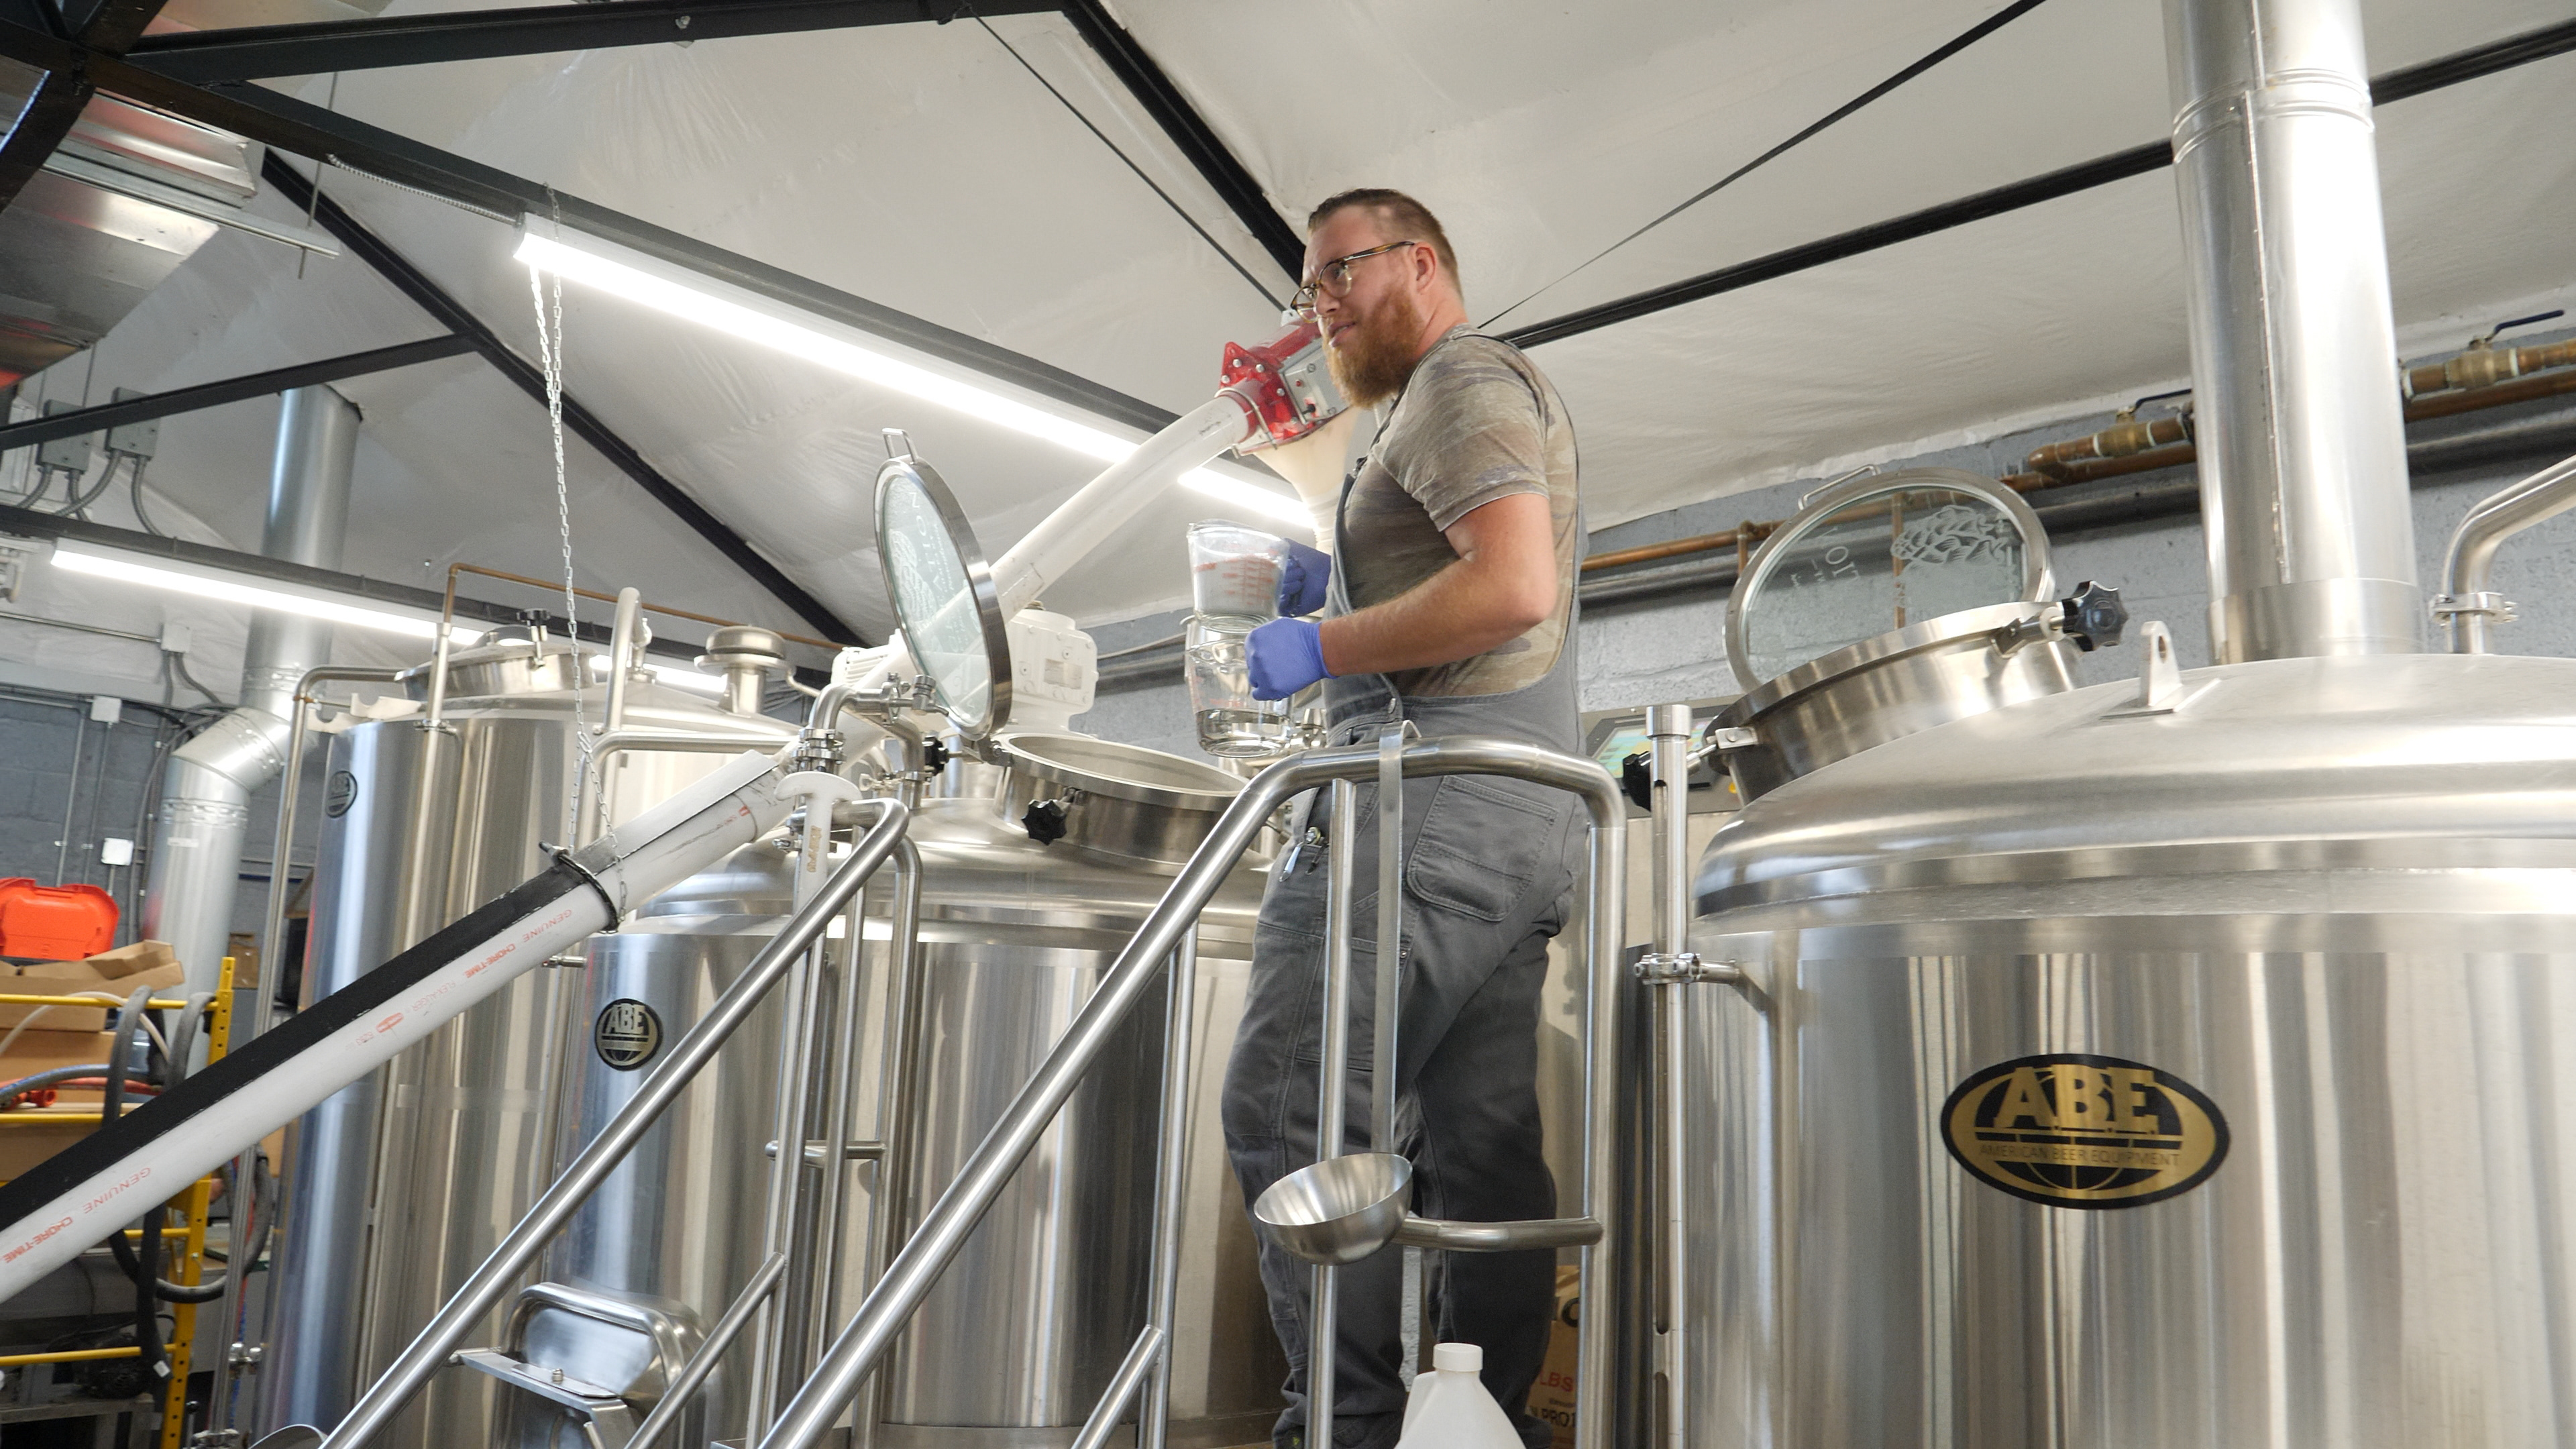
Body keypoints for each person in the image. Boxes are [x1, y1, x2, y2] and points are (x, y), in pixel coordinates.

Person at [1224, 188, 1583, 1449]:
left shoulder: (1458, 381)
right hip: (1518, 816)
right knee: (1478, 1151)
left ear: (1420, 263)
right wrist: (1345, 582)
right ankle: (1475, 1422)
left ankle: (1350, 1429)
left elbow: (1513, 583)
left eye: (1340, 273)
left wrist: (1321, 645)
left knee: (1293, 1109)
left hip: (1425, 799)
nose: (1319, 307)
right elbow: (1468, 574)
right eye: (1308, 285)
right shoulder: (1424, 412)